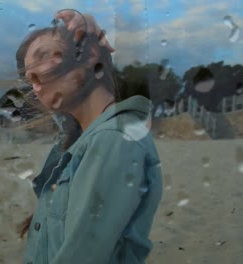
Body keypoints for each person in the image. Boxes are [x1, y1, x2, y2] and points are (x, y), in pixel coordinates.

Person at [15, 9, 163, 263]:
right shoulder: (80, 139)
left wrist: (89, 32)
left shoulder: (113, 139)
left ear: (89, 54)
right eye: (29, 77)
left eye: (43, 57)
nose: (35, 81)